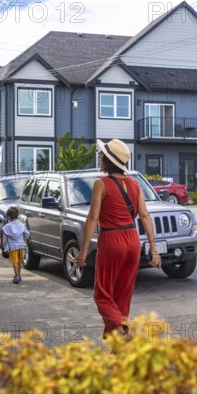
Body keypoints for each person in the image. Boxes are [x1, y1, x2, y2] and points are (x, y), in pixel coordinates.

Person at [76, 139, 161, 338]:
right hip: (133, 239)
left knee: (102, 294)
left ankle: (121, 332)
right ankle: (117, 343)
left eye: (102, 154)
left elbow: (93, 218)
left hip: (112, 239)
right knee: (122, 294)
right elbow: (146, 216)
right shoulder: (134, 184)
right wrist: (154, 249)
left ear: (109, 160)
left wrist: (83, 250)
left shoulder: (101, 184)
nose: (100, 156)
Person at [2, 206, 30, 284]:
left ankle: (16, 276)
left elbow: (5, 240)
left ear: (8, 216)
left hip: (12, 247)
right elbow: (27, 233)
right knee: (20, 261)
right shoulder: (21, 225)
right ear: (17, 216)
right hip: (21, 246)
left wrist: (5, 248)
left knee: (14, 261)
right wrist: (22, 240)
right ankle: (19, 275)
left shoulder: (6, 227)